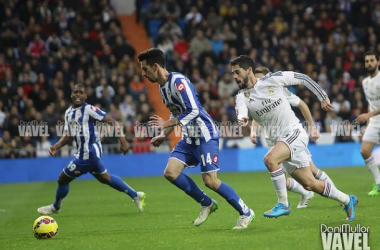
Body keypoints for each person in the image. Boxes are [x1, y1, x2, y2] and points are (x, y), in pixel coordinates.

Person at [137, 48, 254, 229]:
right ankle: (207, 203)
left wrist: (167, 125)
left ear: (155, 66)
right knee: (170, 172)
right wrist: (163, 135)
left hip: (205, 134)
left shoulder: (178, 81)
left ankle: (246, 212)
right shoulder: (161, 87)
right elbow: (175, 112)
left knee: (211, 181)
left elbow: (194, 110)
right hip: (189, 137)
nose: (143, 73)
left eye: (145, 69)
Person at [231, 55, 358, 221]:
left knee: (270, 159)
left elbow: (303, 78)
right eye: (233, 73)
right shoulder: (241, 96)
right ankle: (347, 200)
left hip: (294, 132)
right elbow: (241, 110)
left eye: (237, 72)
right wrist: (243, 118)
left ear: (249, 70)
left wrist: (322, 97)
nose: (234, 77)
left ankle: (283, 204)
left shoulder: (273, 80)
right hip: (279, 141)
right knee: (310, 184)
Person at [37, 83, 146, 215]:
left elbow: (113, 121)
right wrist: (55, 147)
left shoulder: (89, 110)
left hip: (88, 153)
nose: (77, 94)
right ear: (71, 94)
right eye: (75, 92)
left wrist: (122, 140)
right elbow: (68, 137)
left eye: (80, 92)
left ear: (85, 95)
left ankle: (55, 207)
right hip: (85, 152)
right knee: (105, 178)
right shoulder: (68, 113)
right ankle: (136, 195)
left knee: (62, 179)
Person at [254, 66, 337, 208]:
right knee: (283, 181)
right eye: (255, 79)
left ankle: (340, 197)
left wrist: (312, 127)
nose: (257, 82)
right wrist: (252, 130)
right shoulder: (255, 95)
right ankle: (306, 194)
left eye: (260, 78)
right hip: (273, 140)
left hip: (289, 135)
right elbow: (256, 115)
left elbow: (302, 104)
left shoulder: (278, 90)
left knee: (312, 171)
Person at [355, 51, 380, 196]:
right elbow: (371, 104)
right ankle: (378, 182)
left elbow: (370, 110)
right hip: (375, 122)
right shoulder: (365, 82)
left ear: (378, 62)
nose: (369, 63)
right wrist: (368, 125)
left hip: (373, 117)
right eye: (367, 61)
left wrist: (368, 115)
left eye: (372, 60)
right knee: (364, 151)